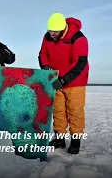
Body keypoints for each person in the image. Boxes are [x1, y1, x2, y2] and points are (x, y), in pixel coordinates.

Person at [38, 13, 89, 154]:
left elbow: (80, 63)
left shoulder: (78, 38)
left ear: (63, 28)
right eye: (50, 31)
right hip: (56, 80)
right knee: (58, 110)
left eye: (55, 32)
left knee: (75, 111)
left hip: (75, 81)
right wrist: (46, 68)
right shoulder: (48, 36)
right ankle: (59, 138)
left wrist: (64, 80)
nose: (52, 34)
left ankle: (75, 141)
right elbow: (43, 54)